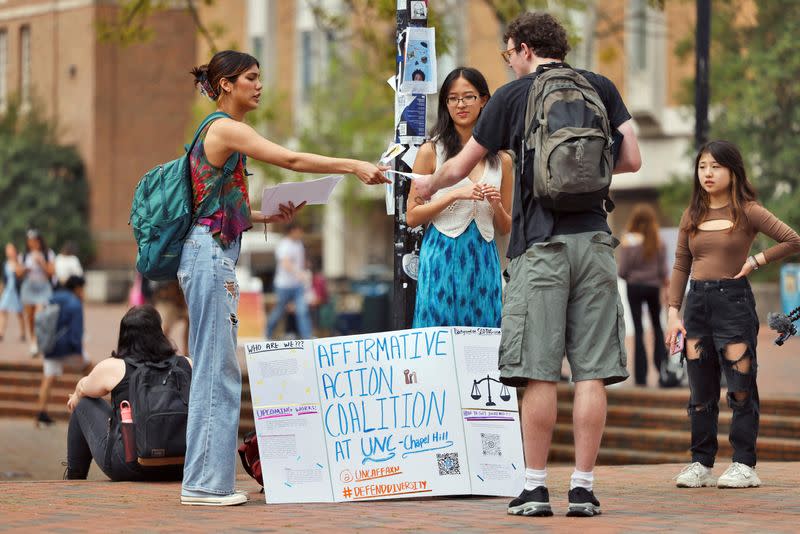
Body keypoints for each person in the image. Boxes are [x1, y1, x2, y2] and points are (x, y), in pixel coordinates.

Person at [413, 12, 641, 517]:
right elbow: (632, 161)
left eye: (507, 53)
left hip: (540, 246)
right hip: (596, 242)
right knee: (592, 373)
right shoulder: (600, 86)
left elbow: (459, 165)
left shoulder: (512, 99)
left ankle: (535, 487)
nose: (508, 62)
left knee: (538, 373)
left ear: (521, 47)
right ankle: (582, 487)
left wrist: (428, 183)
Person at [181, 50, 388, 506]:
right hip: (208, 257)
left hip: (210, 252)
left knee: (215, 368)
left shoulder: (218, 134)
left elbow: (214, 209)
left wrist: (263, 213)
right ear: (226, 84)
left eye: (260, 77)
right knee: (218, 370)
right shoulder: (224, 127)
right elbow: (291, 160)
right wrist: (352, 165)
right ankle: (204, 484)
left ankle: (202, 479)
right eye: (251, 78)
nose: (259, 85)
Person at [666, 140, 800, 489]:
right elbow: (681, 263)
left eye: (716, 166)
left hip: (733, 304)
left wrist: (757, 260)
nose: (707, 173)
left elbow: (793, 239)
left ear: (732, 170)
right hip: (696, 306)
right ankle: (701, 462)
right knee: (700, 392)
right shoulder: (692, 214)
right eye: (702, 167)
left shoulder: (748, 210)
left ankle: (744, 464)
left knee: (741, 387)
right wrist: (672, 312)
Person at [407, 67, 512, 328]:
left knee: (484, 336)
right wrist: (455, 194)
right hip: (441, 254)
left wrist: (496, 204)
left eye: (468, 97)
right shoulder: (431, 151)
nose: (460, 104)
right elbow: (411, 216)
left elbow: (505, 226)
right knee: (439, 332)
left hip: (484, 257)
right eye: (452, 98)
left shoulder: (502, 159)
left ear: (484, 100)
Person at [64, 305, 189, 481]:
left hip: (129, 465)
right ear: (159, 333)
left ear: (125, 335)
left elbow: (84, 387)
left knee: (84, 404)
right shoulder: (186, 364)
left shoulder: (114, 366)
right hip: (182, 465)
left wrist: (76, 397)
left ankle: (74, 478)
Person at [618, 204, 669, 386]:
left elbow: (622, 271)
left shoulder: (628, 240)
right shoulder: (658, 240)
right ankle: (663, 370)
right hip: (653, 287)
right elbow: (664, 271)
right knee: (657, 327)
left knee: (638, 330)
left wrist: (632, 276)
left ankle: (641, 376)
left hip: (634, 287)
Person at [36, 275, 91, 426]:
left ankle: (41, 412)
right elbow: (76, 331)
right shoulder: (75, 303)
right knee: (88, 369)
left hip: (49, 345)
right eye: (82, 289)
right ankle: (90, 404)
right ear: (78, 288)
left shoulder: (53, 297)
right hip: (67, 347)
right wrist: (78, 351)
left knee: (48, 377)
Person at [266, 224, 313, 340]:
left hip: (297, 285)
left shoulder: (299, 244)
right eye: (299, 231)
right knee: (279, 311)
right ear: (292, 231)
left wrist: (305, 270)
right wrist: (299, 273)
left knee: (302, 310)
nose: (301, 234)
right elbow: (285, 263)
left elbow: (300, 262)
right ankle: (267, 333)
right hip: (284, 285)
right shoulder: (284, 245)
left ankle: (307, 337)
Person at [20, 229, 56, 356]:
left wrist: (41, 262)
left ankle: (38, 341)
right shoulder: (24, 255)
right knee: (29, 317)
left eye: (35, 241)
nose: (33, 244)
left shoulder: (48, 253)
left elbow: (52, 272)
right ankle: (33, 342)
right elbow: (18, 273)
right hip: (29, 287)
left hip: (43, 287)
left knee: (38, 315)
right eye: (30, 241)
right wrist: (25, 269)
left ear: (40, 241)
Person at [152, 280, 189, 356]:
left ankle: (186, 350)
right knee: (166, 329)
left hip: (183, 304)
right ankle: (161, 349)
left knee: (188, 326)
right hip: (174, 305)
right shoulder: (169, 285)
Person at [0, 243, 25, 342]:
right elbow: (4, 279)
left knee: (19, 312)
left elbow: (21, 276)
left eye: (10, 249)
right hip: (8, 290)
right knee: (2, 310)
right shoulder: (5, 263)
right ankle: (1, 332)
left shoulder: (20, 261)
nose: (8, 252)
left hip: (17, 290)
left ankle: (23, 333)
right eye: (7, 250)